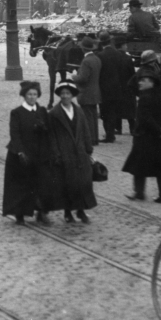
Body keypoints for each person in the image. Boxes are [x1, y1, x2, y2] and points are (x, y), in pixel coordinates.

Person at [122, 69, 161, 204]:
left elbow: (145, 118)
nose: (139, 83)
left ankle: (139, 192)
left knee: (138, 165)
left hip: (145, 137)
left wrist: (158, 130)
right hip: (160, 139)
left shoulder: (144, 98)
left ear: (151, 82)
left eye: (143, 80)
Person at [46, 81, 96, 224]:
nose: (65, 96)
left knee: (83, 183)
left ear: (72, 95)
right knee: (67, 184)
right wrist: (56, 154)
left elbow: (85, 130)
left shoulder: (78, 110)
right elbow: (52, 136)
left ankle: (81, 211)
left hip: (80, 153)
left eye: (68, 93)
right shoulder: (54, 113)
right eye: (62, 94)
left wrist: (88, 149)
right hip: (65, 153)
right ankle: (68, 213)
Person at [2, 81, 50, 225]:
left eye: (35, 94)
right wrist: (20, 152)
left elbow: (48, 132)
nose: (32, 97)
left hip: (38, 154)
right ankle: (20, 214)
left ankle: (41, 212)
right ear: (24, 95)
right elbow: (14, 134)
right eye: (29, 94)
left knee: (42, 184)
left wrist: (44, 128)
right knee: (21, 186)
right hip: (20, 155)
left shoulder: (42, 111)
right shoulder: (17, 113)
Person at [72, 37, 102, 146]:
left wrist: (74, 77)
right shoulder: (96, 59)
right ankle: (95, 138)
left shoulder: (86, 61)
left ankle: (90, 140)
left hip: (86, 93)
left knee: (87, 117)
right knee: (93, 117)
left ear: (83, 49)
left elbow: (83, 78)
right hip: (95, 92)